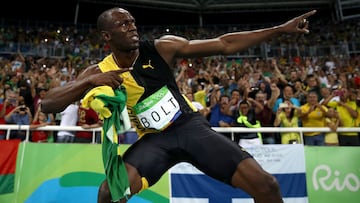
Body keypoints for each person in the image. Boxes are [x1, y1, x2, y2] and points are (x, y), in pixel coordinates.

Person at [41, 7, 316, 203]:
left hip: (189, 127)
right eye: (123, 25)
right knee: (109, 193)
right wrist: (92, 81)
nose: (132, 27)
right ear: (106, 36)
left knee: (266, 186)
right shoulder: (98, 70)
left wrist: (279, 30)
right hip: (155, 141)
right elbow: (49, 104)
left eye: (133, 22)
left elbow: (224, 44)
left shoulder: (163, 48)